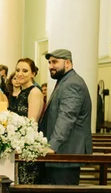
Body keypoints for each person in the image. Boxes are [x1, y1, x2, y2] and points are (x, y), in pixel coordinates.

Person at [39, 50, 92, 185]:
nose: (51, 66)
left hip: (65, 152)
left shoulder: (72, 84)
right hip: (61, 153)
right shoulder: (65, 81)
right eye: (49, 63)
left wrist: (53, 146)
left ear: (67, 63)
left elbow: (67, 117)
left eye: (55, 62)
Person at [8, 58, 45, 193]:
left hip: (27, 148)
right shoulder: (20, 92)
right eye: (17, 70)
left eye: (24, 70)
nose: (20, 74)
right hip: (18, 147)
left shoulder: (35, 92)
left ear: (33, 73)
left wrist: (19, 141)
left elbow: (31, 123)